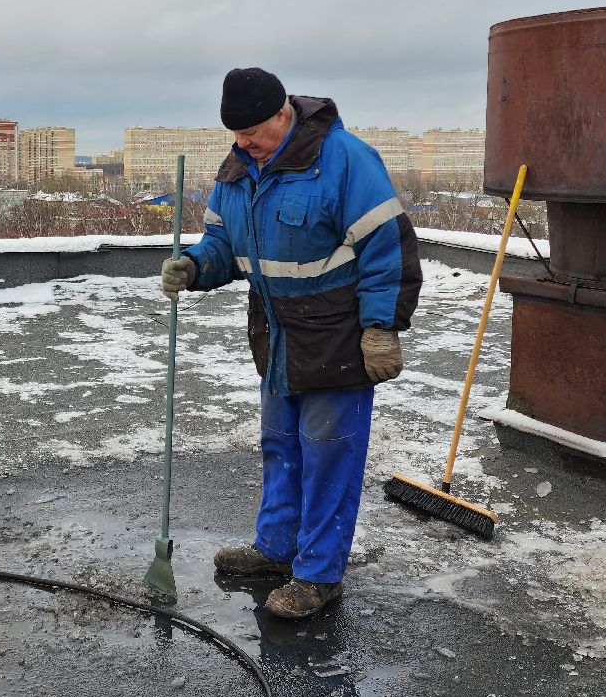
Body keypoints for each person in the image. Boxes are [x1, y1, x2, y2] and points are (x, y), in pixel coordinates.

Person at [161, 67, 421, 618]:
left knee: (329, 456)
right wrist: (194, 266)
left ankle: (318, 574)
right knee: (280, 445)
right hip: (276, 336)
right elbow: (222, 243)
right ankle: (276, 548)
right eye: (235, 133)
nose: (242, 143)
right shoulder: (237, 168)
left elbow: (388, 249)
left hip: (337, 337)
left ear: (283, 113)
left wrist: (381, 329)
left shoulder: (345, 160)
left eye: (252, 131)